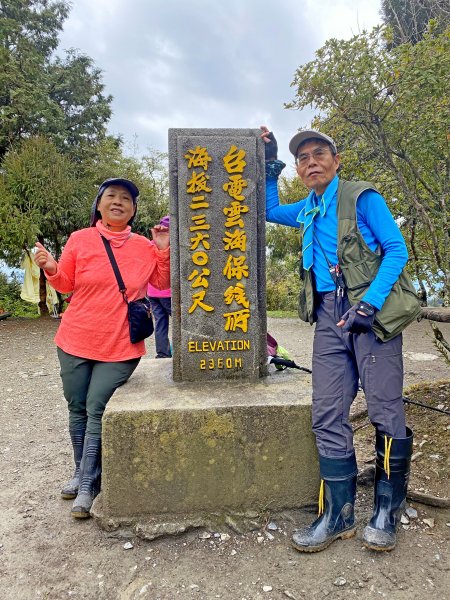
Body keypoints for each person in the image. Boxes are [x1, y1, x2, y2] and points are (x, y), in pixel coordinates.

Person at [261, 126, 421, 553]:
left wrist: (368, 305)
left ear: (336, 160)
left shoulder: (361, 196)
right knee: (327, 408)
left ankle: (387, 510)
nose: (311, 161)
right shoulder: (308, 208)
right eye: (302, 158)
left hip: (371, 312)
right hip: (329, 313)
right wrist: (270, 161)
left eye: (319, 153)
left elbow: (396, 249)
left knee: (385, 408)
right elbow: (268, 209)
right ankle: (339, 513)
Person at [33, 178, 170, 519]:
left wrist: (164, 248)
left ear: (134, 209)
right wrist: (50, 267)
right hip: (75, 337)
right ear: (99, 204)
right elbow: (66, 283)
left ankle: (88, 484)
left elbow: (162, 283)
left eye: (126, 198)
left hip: (121, 344)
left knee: (96, 406)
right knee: (76, 405)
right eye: (111, 196)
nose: (118, 202)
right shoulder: (80, 239)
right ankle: (83, 473)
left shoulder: (143, 246)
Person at [147, 215, 172, 358]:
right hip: (168, 293)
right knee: (181, 323)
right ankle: (184, 351)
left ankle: (162, 354)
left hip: (152, 293)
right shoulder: (172, 246)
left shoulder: (151, 244)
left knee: (160, 323)